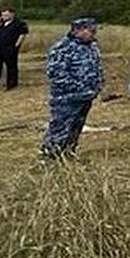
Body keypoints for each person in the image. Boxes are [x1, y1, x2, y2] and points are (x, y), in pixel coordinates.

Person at [41, 17, 103, 157]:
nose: (93, 33)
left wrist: (97, 86)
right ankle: (49, 156)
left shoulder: (92, 47)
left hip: (86, 97)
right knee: (59, 128)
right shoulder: (62, 48)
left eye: (94, 30)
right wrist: (77, 88)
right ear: (77, 30)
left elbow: (97, 68)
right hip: (66, 98)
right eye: (90, 30)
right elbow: (56, 74)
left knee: (75, 128)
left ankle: (68, 153)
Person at [0, 6, 29, 91]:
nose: (4, 17)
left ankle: (11, 84)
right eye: (3, 15)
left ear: (12, 14)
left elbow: (22, 35)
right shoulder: (1, 23)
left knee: (11, 67)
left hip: (10, 48)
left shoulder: (19, 23)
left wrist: (16, 46)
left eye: (6, 15)